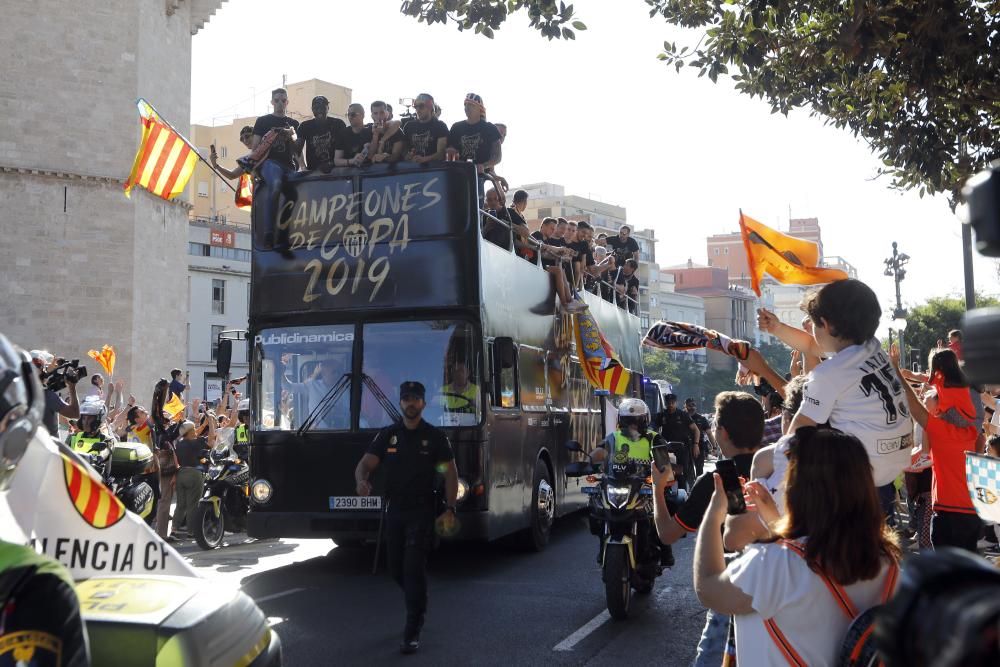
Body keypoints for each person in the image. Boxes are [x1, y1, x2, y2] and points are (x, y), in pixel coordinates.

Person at [695, 428, 901, 667]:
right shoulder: (888, 560)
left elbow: (708, 588)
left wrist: (714, 514)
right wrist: (775, 523)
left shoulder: (772, 564)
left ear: (801, 491)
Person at [650, 391, 765, 667]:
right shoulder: (781, 468)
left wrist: (657, 486)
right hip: (778, 583)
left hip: (731, 586)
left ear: (722, 432)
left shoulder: (715, 480)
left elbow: (667, 533)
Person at [0, 333, 90, 666]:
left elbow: (73, 414)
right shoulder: (43, 590)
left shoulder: (48, 396)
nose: (41, 371)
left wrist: (72, 387)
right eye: (39, 366)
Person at [788, 279, 912, 519]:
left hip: (859, 472)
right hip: (894, 461)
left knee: (789, 445)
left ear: (824, 324)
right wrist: (776, 328)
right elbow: (812, 346)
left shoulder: (828, 374)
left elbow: (795, 432)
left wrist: (772, 474)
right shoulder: (873, 348)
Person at [354, 381, 458, 654]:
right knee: (396, 567)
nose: (410, 403)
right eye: (406, 399)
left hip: (422, 511)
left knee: (412, 568)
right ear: (401, 403)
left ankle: (412, 630)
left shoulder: (435, 437)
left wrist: (450, 507)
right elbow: (364, 465)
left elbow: (450, 473)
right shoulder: (388, 435)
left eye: (416, 399)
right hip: (395, 510)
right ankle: (418, 596)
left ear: (423, 403)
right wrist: (361, 482)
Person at [891, 346, 981, 551]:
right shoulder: (970, 432)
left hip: (949, 515)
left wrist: (896, 370)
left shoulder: (941, 430)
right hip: (972, 513)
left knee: (947, 578)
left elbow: (913, 404)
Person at [590, 397, 673, 566]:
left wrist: (665, 473)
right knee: (595, 506)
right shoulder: (613, 437)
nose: (633, 425)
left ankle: (666, 551)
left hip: (646, 486)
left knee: (662, 509)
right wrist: (588, 463)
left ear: (645, 420)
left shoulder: (653, 438)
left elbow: (664, 465)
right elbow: (597, 454)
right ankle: (602, 544)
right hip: (618, 483)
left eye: (637, 421)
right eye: (629, 421)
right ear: (622, 421)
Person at [172, 419, 212, 541]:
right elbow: (211, 442)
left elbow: (195, 434)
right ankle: (191, 532)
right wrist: (210, 423)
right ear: (189, 431)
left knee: (180, 504)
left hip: (181, 473)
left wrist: (203, 424)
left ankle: (174, 530)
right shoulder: (196, 442)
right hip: (194, 474)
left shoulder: (179, 443)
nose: (196, 431)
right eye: (194, 429)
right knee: (193, 505)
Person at [446, 93, 502, 179]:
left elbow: (497, 156)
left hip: (481, 176)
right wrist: (450, 152)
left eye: (471, 105)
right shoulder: (456, 127)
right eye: (465, 104)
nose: (467, 107)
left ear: (480, 109)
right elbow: (449, 151)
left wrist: (484, 166)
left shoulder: (490, 128)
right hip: (459, 175)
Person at [656, 393, 700, 488]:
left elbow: (696, 430)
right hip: (665, 448)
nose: (670, 405)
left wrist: (696, 445)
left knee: (683, 473)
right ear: (665, 403)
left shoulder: (683, 415)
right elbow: (654, 430)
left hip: (682, 448)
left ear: (676, 403)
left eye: (672, 403)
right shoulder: (661, 415)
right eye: (668, 403)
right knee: (663, 472)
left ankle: (683, 492)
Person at [32, 350, 80, 438]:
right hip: (49, 448)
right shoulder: (47, 396)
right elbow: (75, 413)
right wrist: (72, 387)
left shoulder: (16, 394)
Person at [251, 88, 300, 172]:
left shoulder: (294, 123)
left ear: (287, 102)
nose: (280, 103)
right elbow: (255, 147)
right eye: (277, 100)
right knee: (276, 182)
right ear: (272, 102)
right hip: (268, 164)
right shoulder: (262, 121)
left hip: (289, 165)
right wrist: (254, 170)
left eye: (283, 100)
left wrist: (303, 166)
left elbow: (297, 150)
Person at [297, 95, 346, 172]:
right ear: (312, 109)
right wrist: (303, 167)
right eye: (316, 108)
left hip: (335, 171)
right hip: (313, 172)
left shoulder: (338, 124)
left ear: (328, 108)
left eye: (322, 107)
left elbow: (345, 147)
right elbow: (297, 148)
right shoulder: (305, 126)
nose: (319, 110)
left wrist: (334, 164)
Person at [403, 93, 448, 163]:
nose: (417, 110)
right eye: (415, 107)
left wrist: (425, 159)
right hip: (413, 169)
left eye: (421, 106)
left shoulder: (440, 126)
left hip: (433, 170)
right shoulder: (408, 126)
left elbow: (441, 154)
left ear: (430, 108)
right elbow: (403, 150)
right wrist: (407, 156)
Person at [685, 398, 714, 475]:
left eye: (693, 405)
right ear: (685, 406)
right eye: (689, 405)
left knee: (699, 470)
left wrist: (714, 447)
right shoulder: (682, 417)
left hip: (699, 447)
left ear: (696, 406)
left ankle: (699, 485)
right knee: (687, 470)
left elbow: (709, 434)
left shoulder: (702, 419)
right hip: (685, 446)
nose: (692, 407)